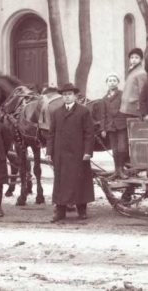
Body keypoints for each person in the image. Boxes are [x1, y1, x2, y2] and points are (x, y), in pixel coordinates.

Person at [48, 83, 96, 222]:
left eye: (69, 94)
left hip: (78, 153)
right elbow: (51, 134)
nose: (67, 97)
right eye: (64, 95)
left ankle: (82, 210)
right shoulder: (56, 113)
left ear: (75, 96)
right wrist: (49, 152)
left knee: (79, 181)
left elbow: (89, 134)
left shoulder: (83, 111)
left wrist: (88, 152)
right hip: (61, 154)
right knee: (61, 182)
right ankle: (60, 211)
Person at [100, 73, 128, 178]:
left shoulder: (122, 94)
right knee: (115, 149)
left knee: (122, 148)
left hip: (121, 125)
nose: (112, 82)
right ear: (107, 83)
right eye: (110, 81)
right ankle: (116, 171)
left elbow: (126, 109)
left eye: (114, 80)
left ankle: (121, 170)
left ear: (117, 82)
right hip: (110, 127)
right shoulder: (104, 99)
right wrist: (103, 128)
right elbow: (103, 115)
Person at [119, 47, 147, 123]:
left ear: (141, 59)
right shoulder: (132, 71)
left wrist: (141, 109)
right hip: (127, 107)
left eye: (136, 57)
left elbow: (142, 92)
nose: (133, 60)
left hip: (134, 108)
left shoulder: (141, 73)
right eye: (132, 57)